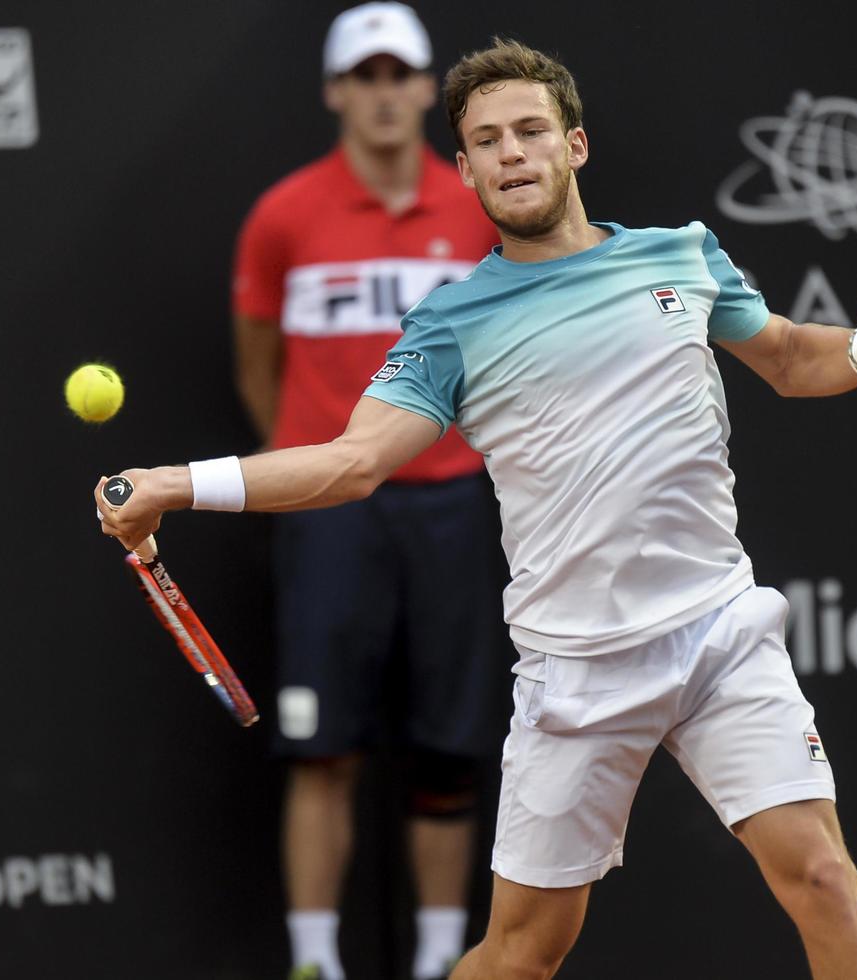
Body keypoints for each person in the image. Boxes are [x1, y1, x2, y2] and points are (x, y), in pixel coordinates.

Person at [104, 37, 857, 980]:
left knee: (822, 877)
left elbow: (784, 356)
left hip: (718, 632)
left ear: (575, 146)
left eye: (531, 131)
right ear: (465, 170)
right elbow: (352, 464)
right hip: (575, 674)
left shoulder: (684, 259)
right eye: (487, 141)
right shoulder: (453, 322)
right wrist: (173, 484)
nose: (511, 153)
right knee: (524, 955)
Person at [228, 6, 505, 979]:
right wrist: (311, 458)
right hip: (329, 514)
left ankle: (439, 958)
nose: (386, 92)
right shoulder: (283, 216)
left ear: (431, 89)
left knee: (448, 747)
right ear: (335, 91)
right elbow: (260, 366)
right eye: (367, 74)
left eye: (403, 73)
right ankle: (316, 963)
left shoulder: (481, 211)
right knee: (321, 747)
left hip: (452, 502)